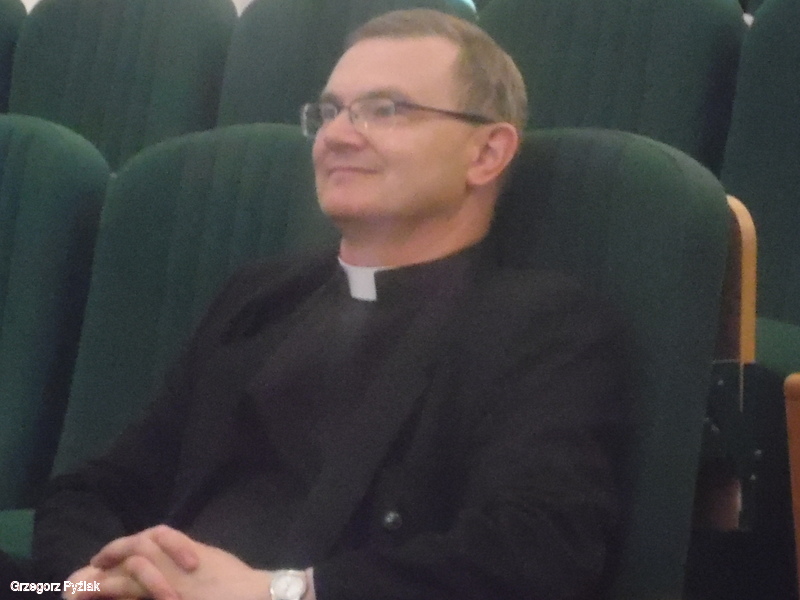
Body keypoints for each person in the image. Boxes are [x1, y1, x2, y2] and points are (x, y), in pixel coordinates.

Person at [25, 8, 630, 600]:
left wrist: (278, 593)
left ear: (487, 153)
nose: (337, 135)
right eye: (330, 111)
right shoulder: (258, 297)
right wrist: (88, 579)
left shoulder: (542, 325)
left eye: (385, 110)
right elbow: (99, 487)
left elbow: (537, 548)